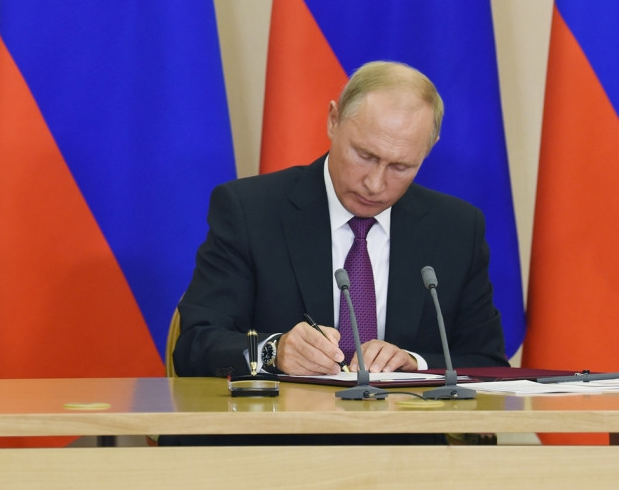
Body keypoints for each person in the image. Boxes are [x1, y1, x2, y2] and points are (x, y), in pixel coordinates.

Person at [173, 60, 507, 381]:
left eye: (400, 167)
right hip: (286, 419)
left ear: (429, 148)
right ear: (334, 120)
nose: (375, 184)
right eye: (365, 155)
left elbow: (488, 362)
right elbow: (194, 345)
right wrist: (275, 351)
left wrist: (415, 363)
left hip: (402, 421)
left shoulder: (456, 229)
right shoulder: (251, 211)